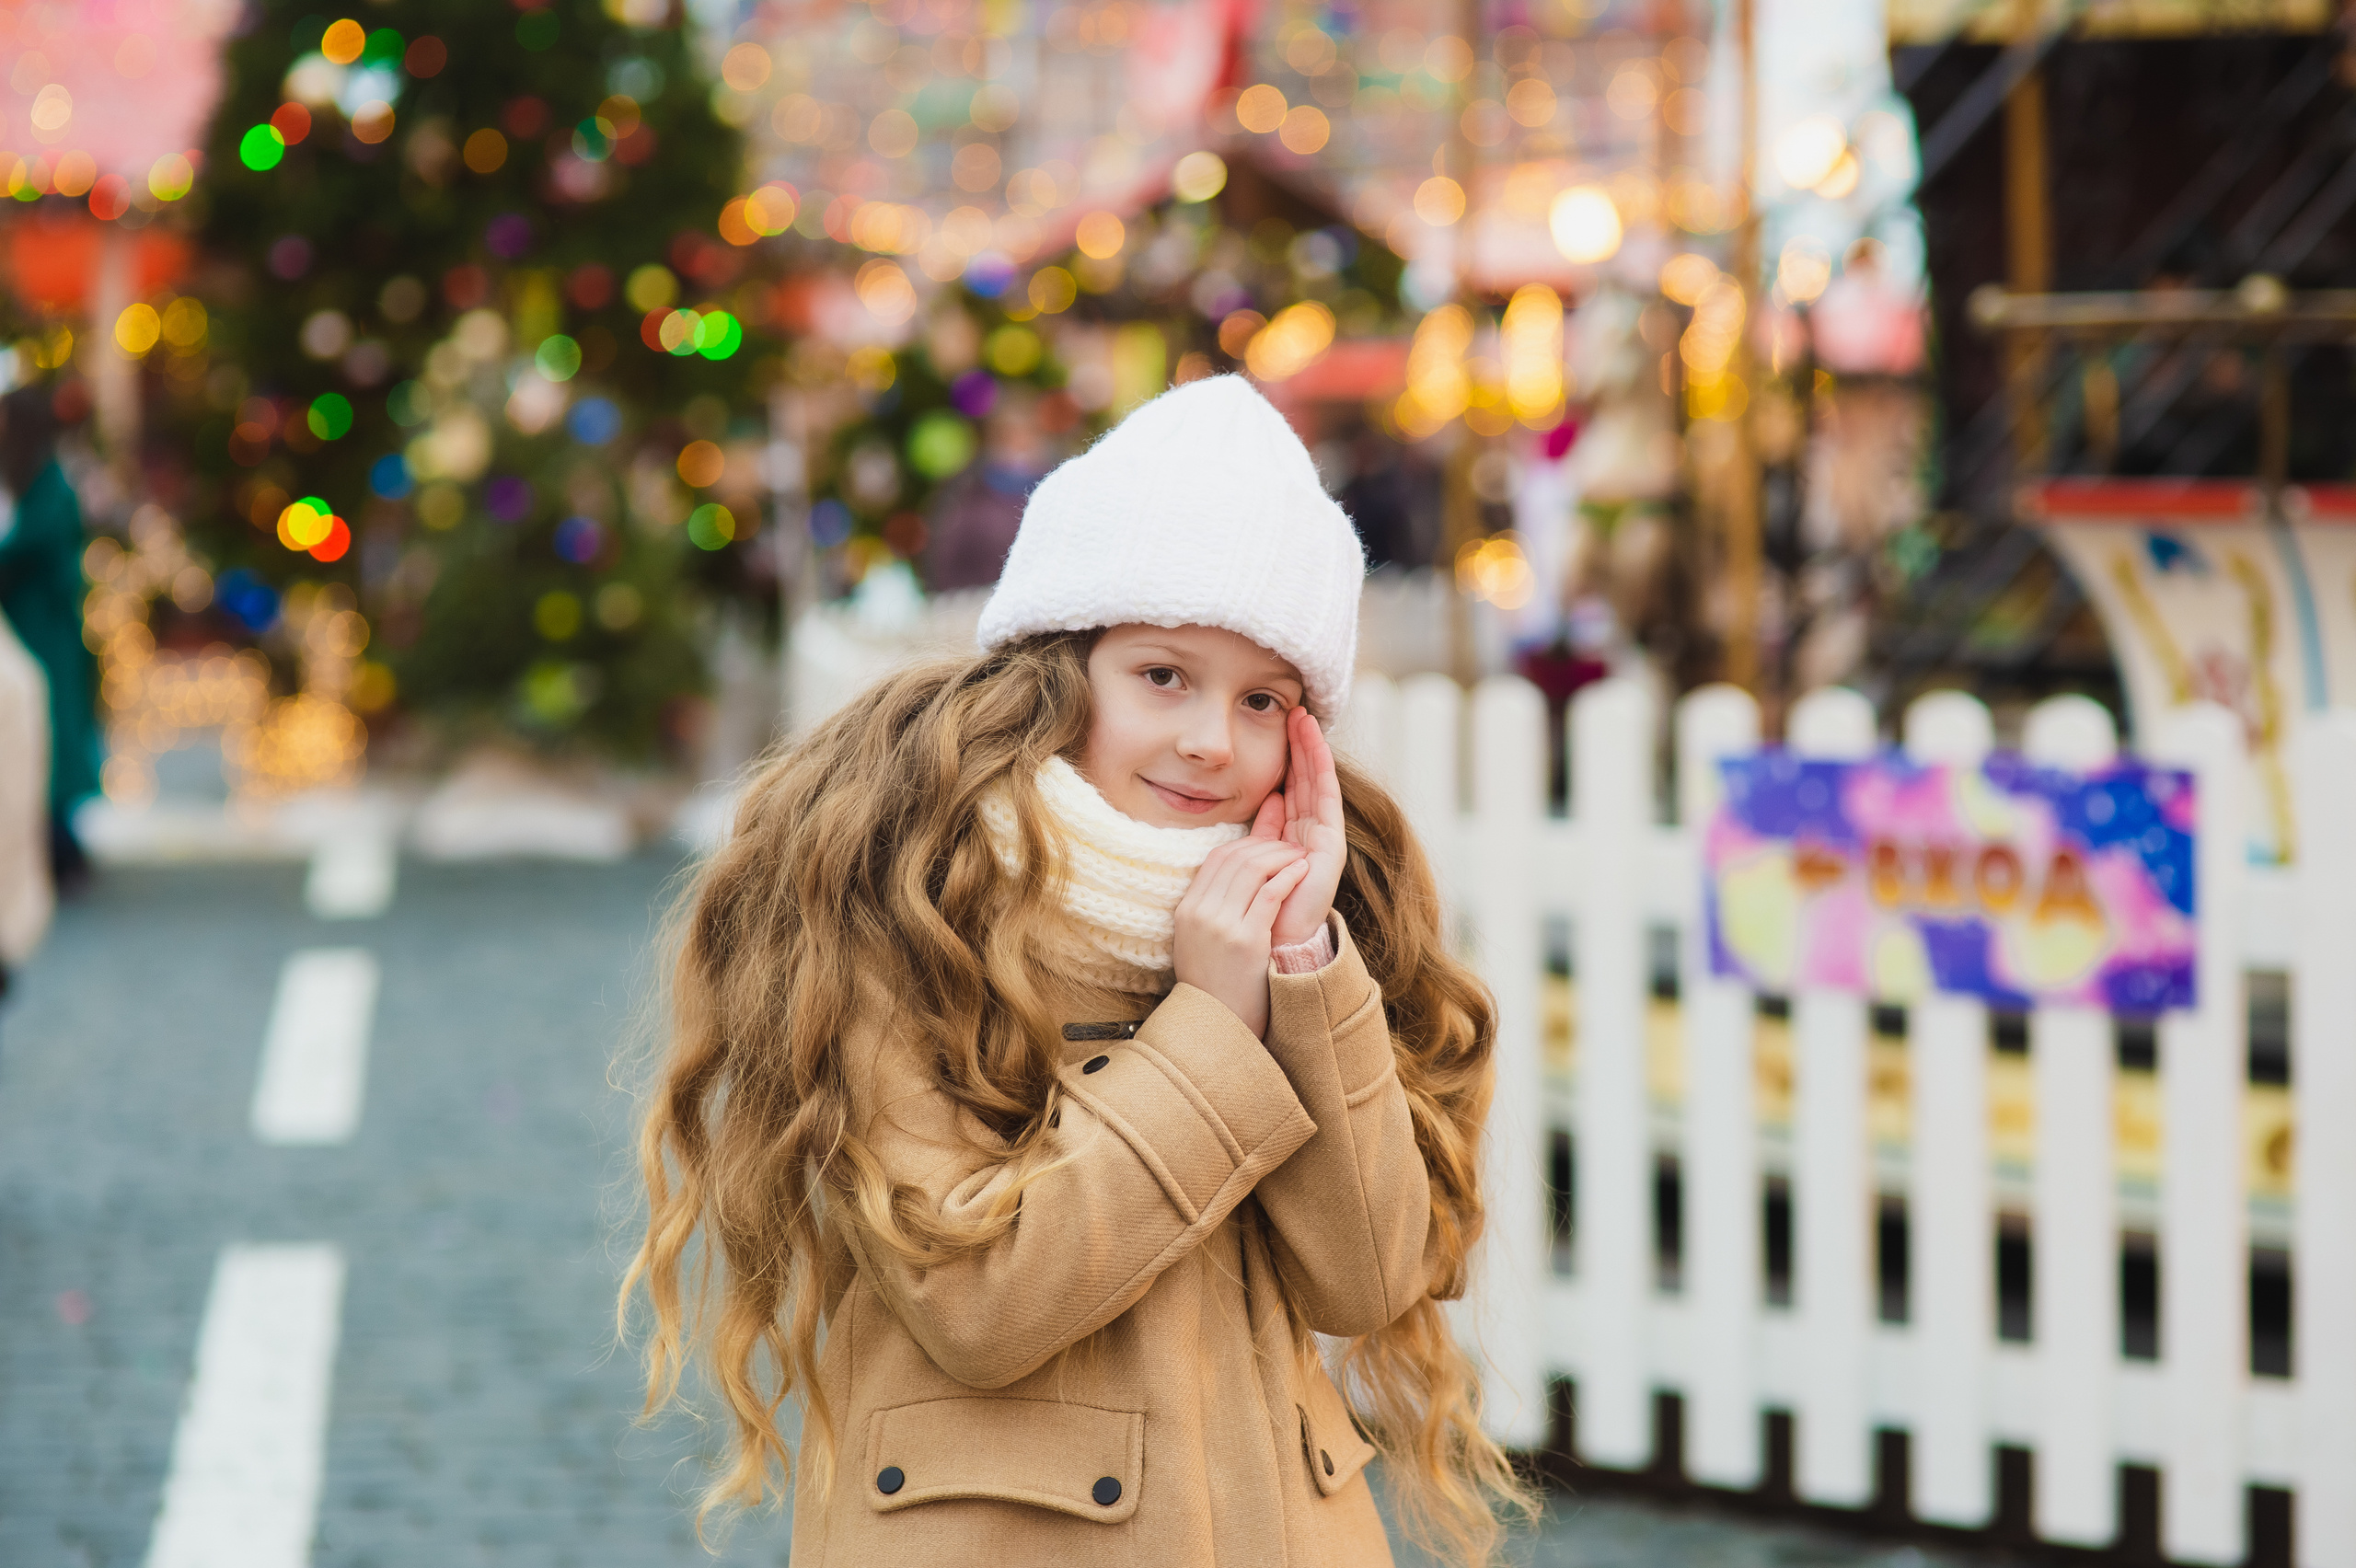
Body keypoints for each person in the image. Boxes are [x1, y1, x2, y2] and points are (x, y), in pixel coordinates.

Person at [627, 376, 1531, 1566]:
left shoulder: (1297, 939)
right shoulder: (913, 909)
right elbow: (981, 1303)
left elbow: (1367, 1281)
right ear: (1061, 670)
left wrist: (1303, 966)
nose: (1212, 737)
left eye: (1263, 698)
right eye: (1164, 676)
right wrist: (1212, 1022)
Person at [0, 385, 98, 892]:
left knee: (49, 733)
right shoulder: (26, 482)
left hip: (43, 630)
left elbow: (25, 549)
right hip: (29, 627)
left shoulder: (48, 486)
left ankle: (62, 846)